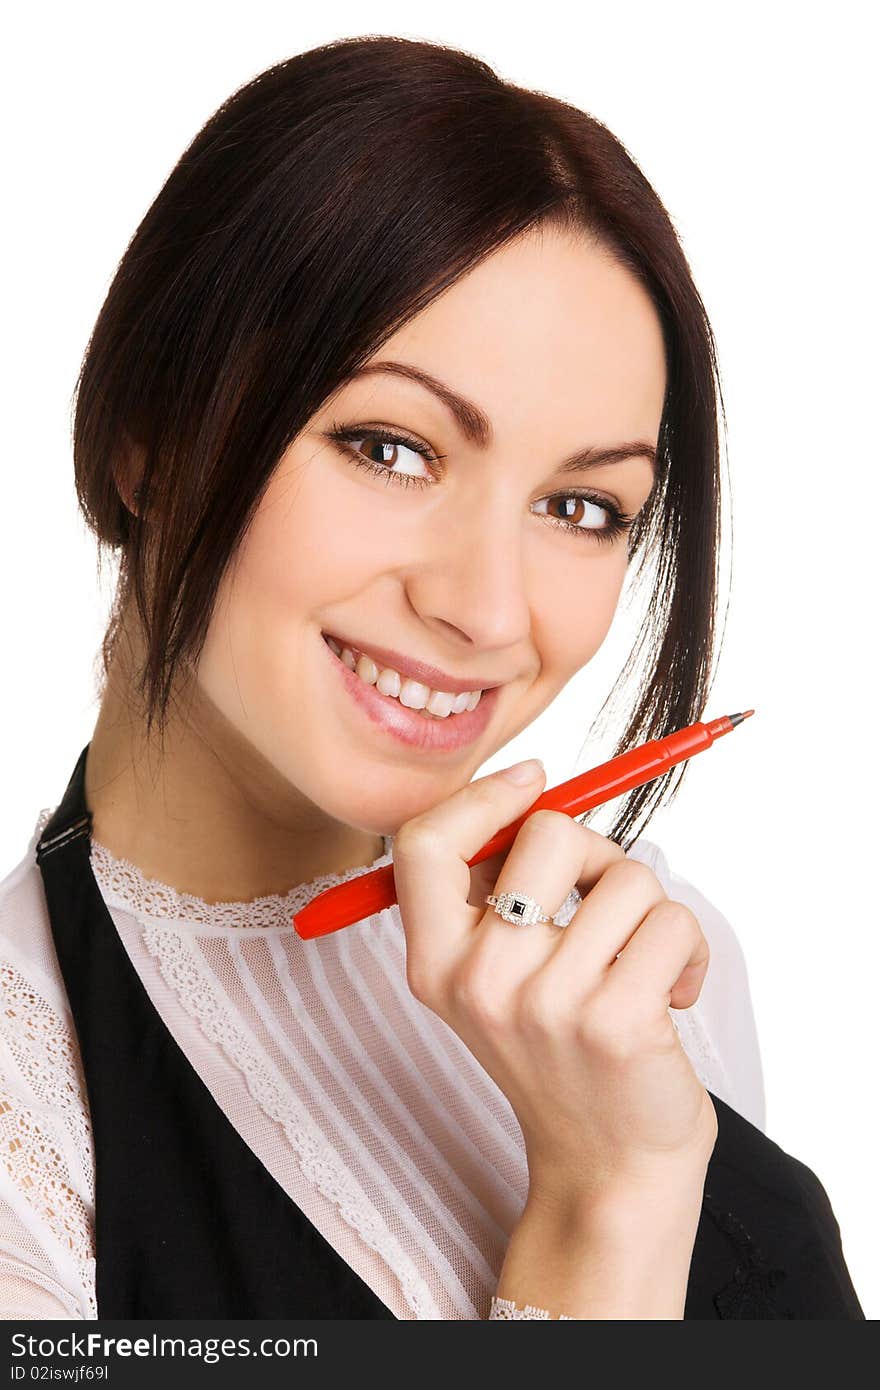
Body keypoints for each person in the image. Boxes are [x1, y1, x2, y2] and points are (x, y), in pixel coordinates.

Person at [0, 34, 863, 1320]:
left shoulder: (645, 968)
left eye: (580, 505)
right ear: (149, 441)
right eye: (389, 447)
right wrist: (602, 1202)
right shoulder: (31, 1120)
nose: (483, 607)